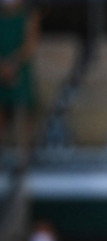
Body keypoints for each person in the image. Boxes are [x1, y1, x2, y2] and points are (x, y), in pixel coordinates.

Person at [0, 0, 39, 166]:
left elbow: (30, 44)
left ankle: (24, 164)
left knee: (22, 115)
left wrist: (13, 64)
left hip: (20, 70)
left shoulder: (29, 16)